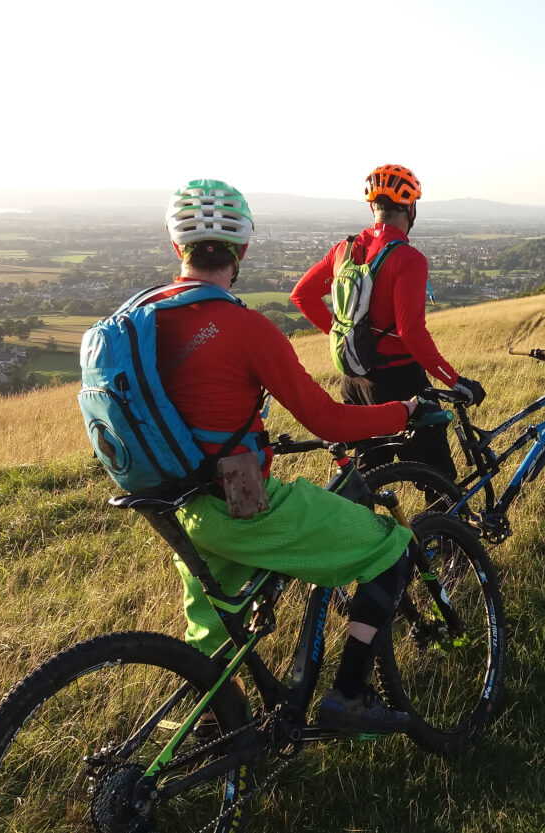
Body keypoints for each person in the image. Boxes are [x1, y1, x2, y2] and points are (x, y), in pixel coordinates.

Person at [158, 178, 416, 733]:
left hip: (174, 501)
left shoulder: (144, 319)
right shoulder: (245, 327)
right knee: (393, 550)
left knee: (217, 629)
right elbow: (327, 420)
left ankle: (213, 738)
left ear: (175, 245)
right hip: (240, 500)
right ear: (243, 248)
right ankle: (349, 697)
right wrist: (401, 412)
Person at [290, 163, 486, 478]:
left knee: (367, 477)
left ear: (372, 206)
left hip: (354, 380)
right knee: (437, 480)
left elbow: (302, 295)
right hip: (400, 381)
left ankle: (363, 527)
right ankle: (442, 528)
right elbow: (411, 331)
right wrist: (456, 381)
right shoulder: (408, 258)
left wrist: (346, 336)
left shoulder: (346, 248)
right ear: (410, 209)